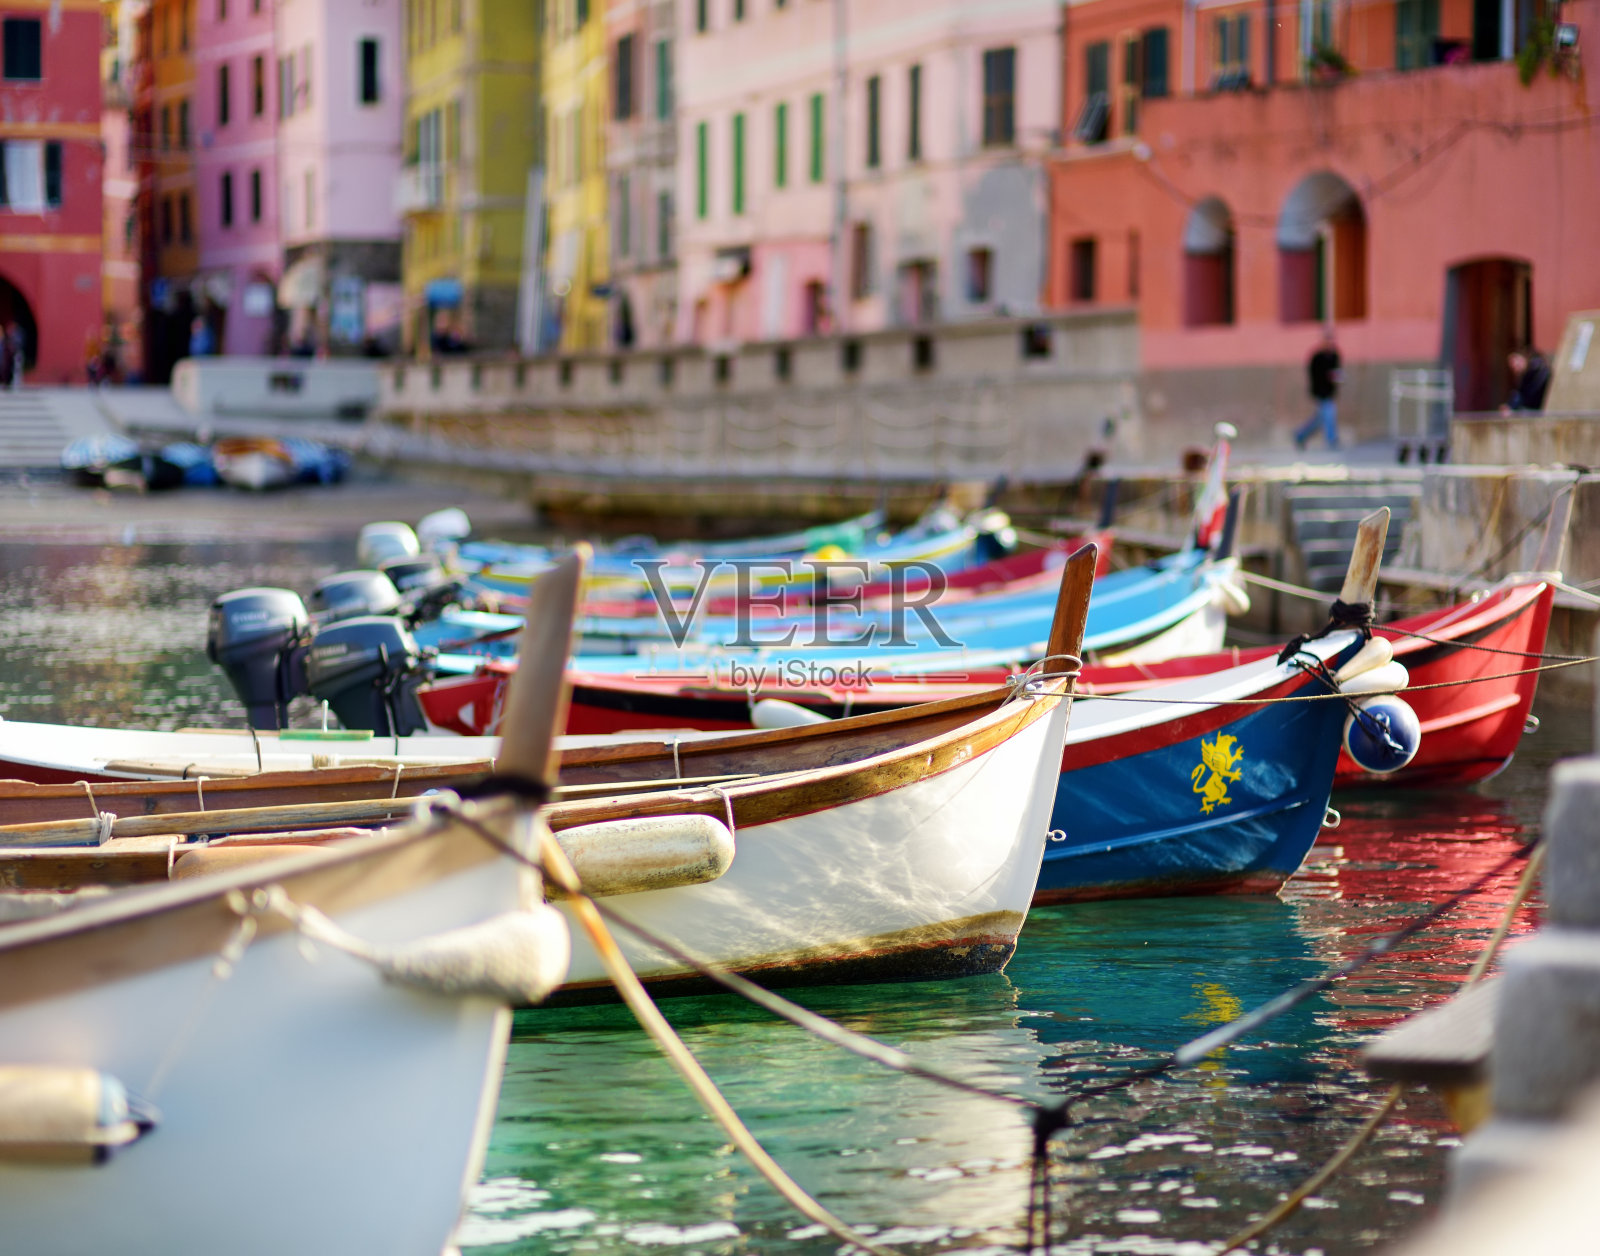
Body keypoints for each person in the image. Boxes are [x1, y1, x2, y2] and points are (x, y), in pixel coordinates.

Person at [1295, 328, 1342, 451]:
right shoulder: (1317, 357)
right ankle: (1332, 440)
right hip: (1320, 392)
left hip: (1329, 391)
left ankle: (1300, 436)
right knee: (1329, 413)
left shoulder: (1334, 356)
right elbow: (1313, 376)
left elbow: (1337, 373)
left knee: (1320, 419)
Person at [1501, 347, 1551, 414]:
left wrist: (1512, 406)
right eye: (1513, 367)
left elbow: (1527, 395)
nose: (1516, 367)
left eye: (1517, 363)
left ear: (1522, 358)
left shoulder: (1536, 369)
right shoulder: (1527, 374)